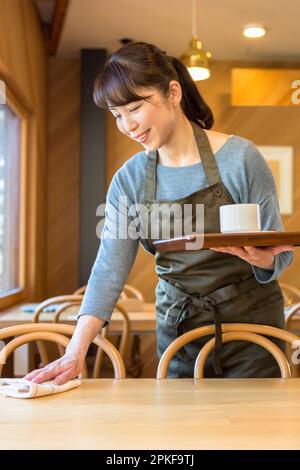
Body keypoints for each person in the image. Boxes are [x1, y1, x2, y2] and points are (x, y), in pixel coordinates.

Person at [24, 41, 294, 384]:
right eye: (117, 115)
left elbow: (278, 255)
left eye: (135, 107)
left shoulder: (240, 158)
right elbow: (109, 267)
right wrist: (75, 350)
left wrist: (262, 259)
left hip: (253, 331)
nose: (127, 125)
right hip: (179, 332)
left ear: (173, 93)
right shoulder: (130, 180)